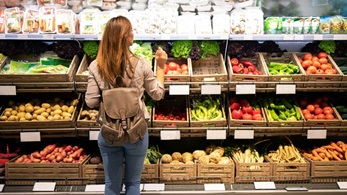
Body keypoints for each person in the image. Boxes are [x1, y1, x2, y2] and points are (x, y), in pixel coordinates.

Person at [85, 16, 167, 195]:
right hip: (136, 131)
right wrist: (160, 66)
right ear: (125, 38)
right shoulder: (141, 65)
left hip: (109, 132)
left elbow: (90, 101)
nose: (133, 34)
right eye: (130, 31)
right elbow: (157, 94)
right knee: (133, 183)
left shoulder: (95, 66)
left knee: (111, 185)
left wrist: (109, 98)